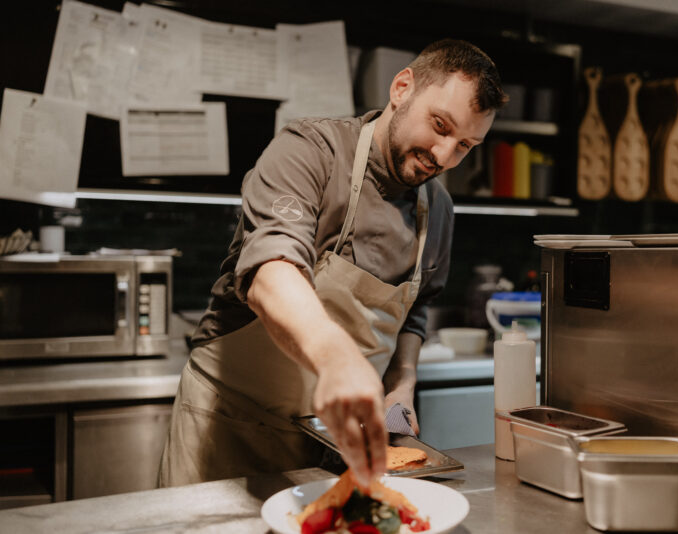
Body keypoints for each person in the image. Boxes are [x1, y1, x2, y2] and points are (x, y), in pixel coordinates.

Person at [158, 38, 507, 489]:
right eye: (439, 126)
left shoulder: (437, 207)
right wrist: (337, 359)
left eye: (465, 145)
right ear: (402, 88)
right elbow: (271, 268)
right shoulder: (311, 151)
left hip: (333, 447)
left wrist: (400, 386)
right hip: (229, 427)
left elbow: (415, 314)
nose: (443, 157)